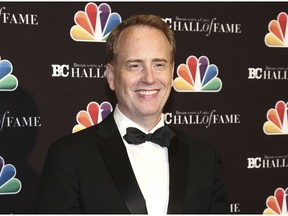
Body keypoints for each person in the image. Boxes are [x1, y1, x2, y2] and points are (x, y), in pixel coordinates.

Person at [37, 14, 229, 214]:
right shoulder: (70, 157)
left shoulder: (205, 157)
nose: (149, 78)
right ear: (111, 76)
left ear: (171, 73)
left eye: (158, 65)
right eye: (135, 65)